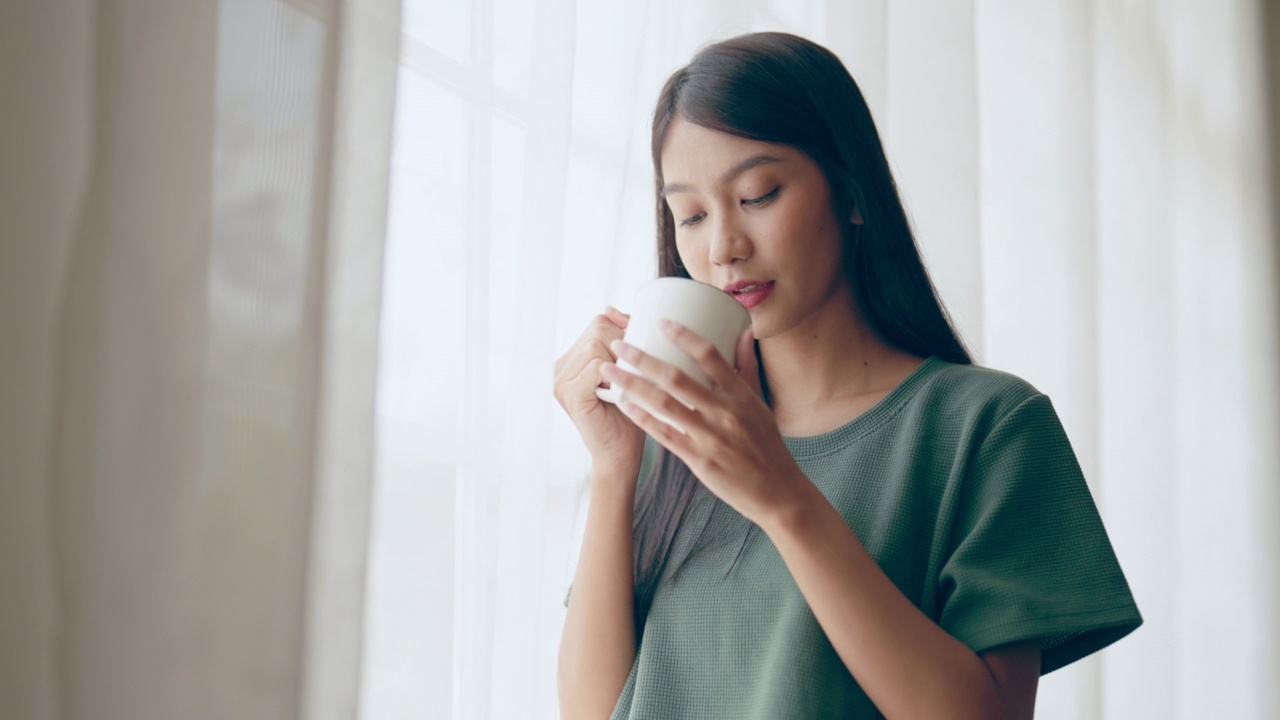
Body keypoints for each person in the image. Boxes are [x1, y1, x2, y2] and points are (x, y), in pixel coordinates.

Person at [553, 31, 1141, 720]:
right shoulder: (675, 438)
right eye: (691, 214)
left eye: (759, 194)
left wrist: (784, 499)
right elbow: (591, 713)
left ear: (853, 193)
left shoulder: (984, 428)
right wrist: (616, 470)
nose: (722, 248)